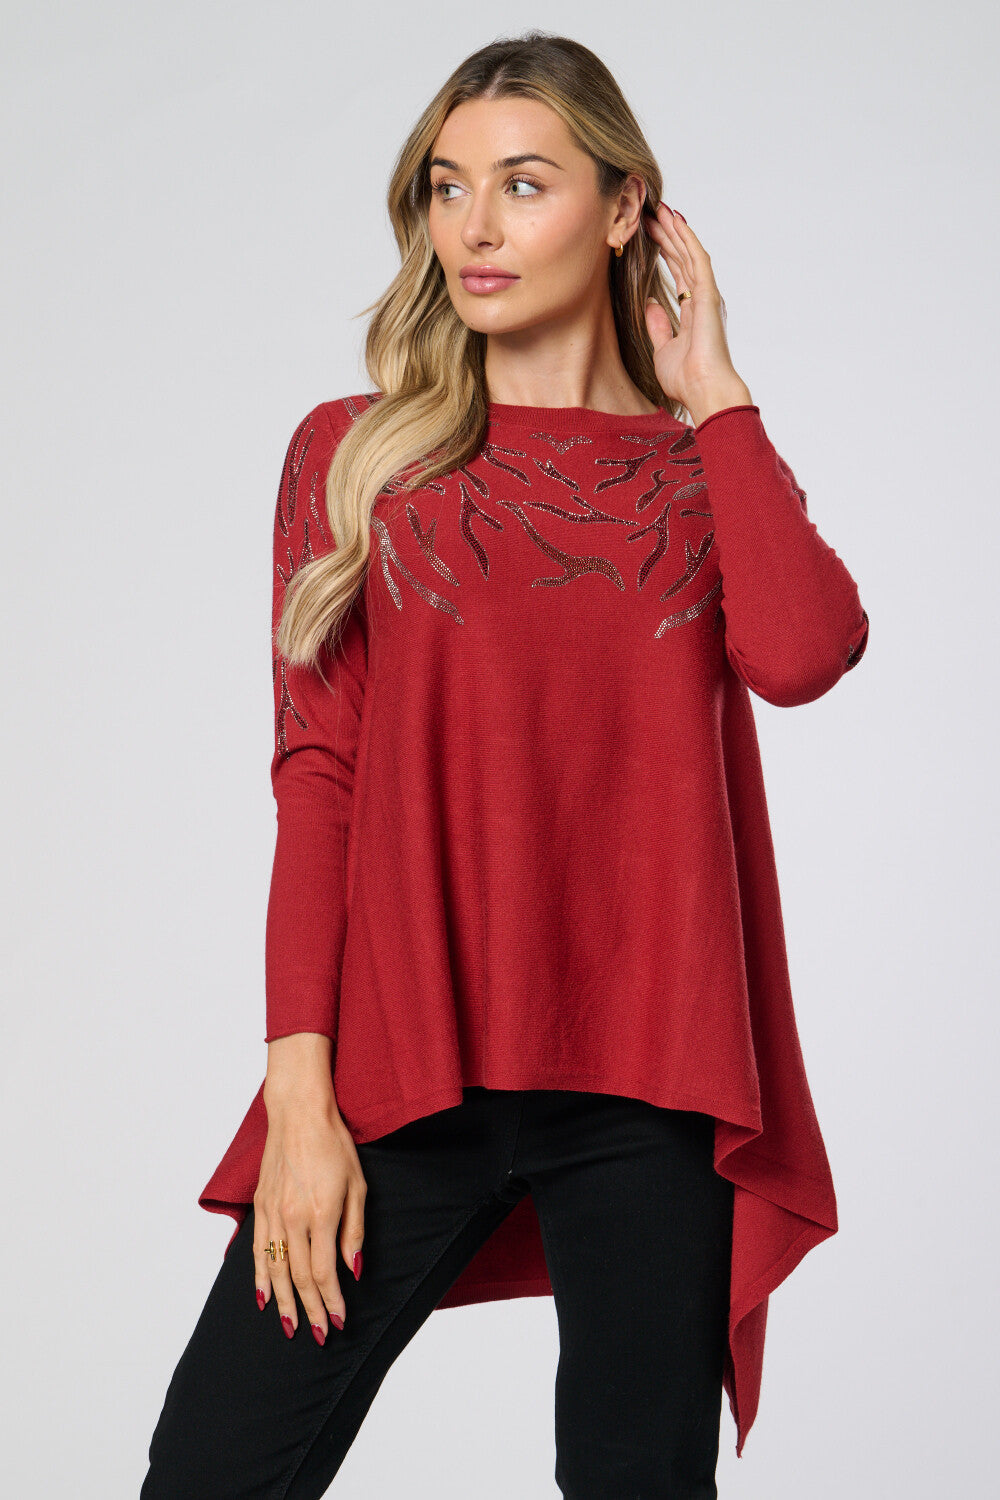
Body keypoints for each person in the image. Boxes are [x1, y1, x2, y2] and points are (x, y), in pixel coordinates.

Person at [141, 30, 869, 1500]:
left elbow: (803, 654)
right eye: (446, 186)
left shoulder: (702, 473)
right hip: (402, 1074)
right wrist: (300, 1101)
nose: (473, 226)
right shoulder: (360, 458)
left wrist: (718, 391)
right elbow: (318, 781)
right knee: (212, 1471)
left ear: (625, 207)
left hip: (647, 1087)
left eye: (524, 184)